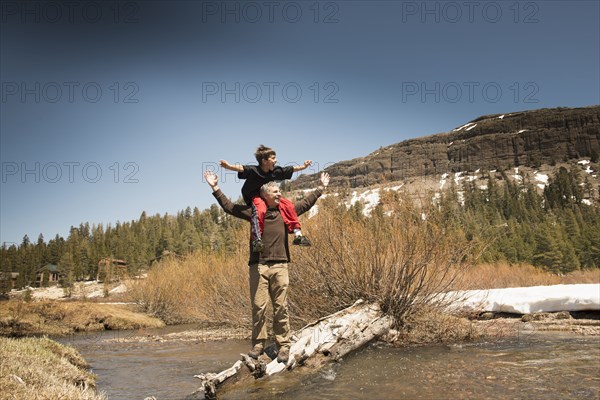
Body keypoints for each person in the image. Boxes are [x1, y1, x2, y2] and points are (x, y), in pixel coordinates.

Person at [203, 169, 330, 364]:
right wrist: (215, 187)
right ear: (265, 195)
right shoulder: (253, 212)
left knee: (281, 307)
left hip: (280, 265)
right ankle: (258, 345)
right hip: (259, 266)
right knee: (258, 307)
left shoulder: (286, 210)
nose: (280, 194)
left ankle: (284, 346)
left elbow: (306, 203)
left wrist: (321, 188)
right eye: (276, 192)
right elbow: (229, 207)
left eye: (279, 191)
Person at [220, 145, 313, 253]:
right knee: (260, 209)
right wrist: (228, 166)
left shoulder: (275, 171)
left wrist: (303, 166)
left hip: (268, 196)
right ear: (264, 161)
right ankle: (257, 239)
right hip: (254, 196)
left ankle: (298, 235)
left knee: (288, 204)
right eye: (273, 158)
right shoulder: (254, 170)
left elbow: (291, 169)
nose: (276, 160)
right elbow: (241, 168)